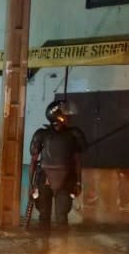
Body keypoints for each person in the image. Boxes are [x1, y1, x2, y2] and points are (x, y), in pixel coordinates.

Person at [28, 99, 87, 238]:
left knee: (62, 217)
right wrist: (31, 185)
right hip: (44, 179)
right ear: (56, 115)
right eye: (66, 115)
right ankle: (44, 249)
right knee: (44, 216)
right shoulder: (41, 134)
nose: (69, 117)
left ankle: (62, 252)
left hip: (66, 179)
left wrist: (78, 182)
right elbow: (33, 160)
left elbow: (78, 160)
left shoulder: (74, 134)